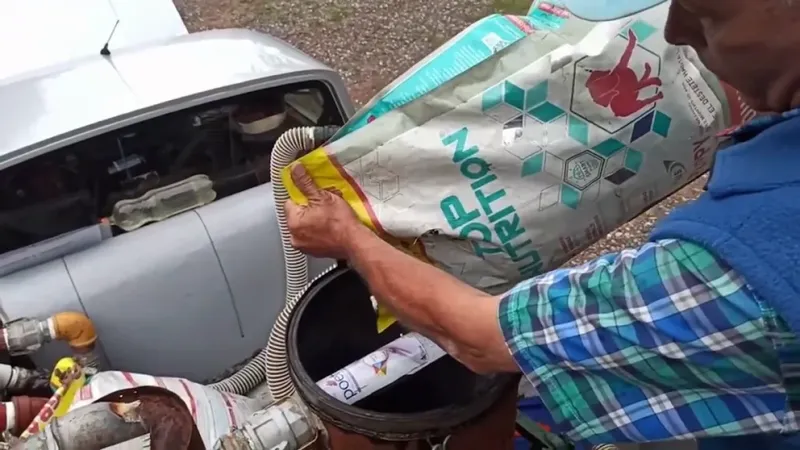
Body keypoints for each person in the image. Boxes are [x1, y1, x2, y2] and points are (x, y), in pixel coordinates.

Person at [285, 0, 800, 447]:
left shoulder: (739, 268)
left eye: (705, 13)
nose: (673, 32)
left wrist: (350, 239)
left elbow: (480, 337)